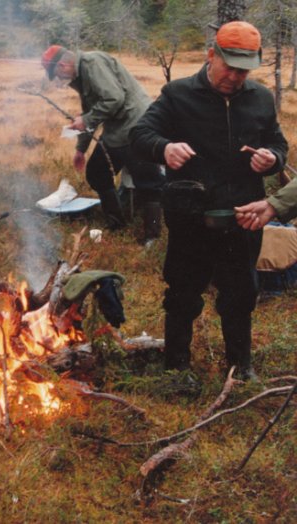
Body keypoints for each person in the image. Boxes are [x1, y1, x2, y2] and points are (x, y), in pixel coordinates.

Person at [130, 21, 289, 380]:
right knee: (183, 291)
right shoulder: (177, 94)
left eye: (243, 70)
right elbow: (139, 135)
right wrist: (164, 148)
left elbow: (279, 144)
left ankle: (239, 365)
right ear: (211, 55)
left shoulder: (261, 98)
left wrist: (272, 158)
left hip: (244, 215)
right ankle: (177, 366)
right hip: (190, 214)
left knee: (241, 293)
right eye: (229, 67)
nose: (234, 77)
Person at [40, 44, 165, 244]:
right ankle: (117, 223)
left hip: (136, 124)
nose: (60, 80)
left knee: (148, 181)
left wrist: (87, 120)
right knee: (97, 172)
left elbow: (114, 98)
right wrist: (81, 149)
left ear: (63, 65)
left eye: (57, 75)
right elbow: (90, 112)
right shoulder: (80, 76)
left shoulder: (92, 64)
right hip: (116, 129)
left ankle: (152, 236)